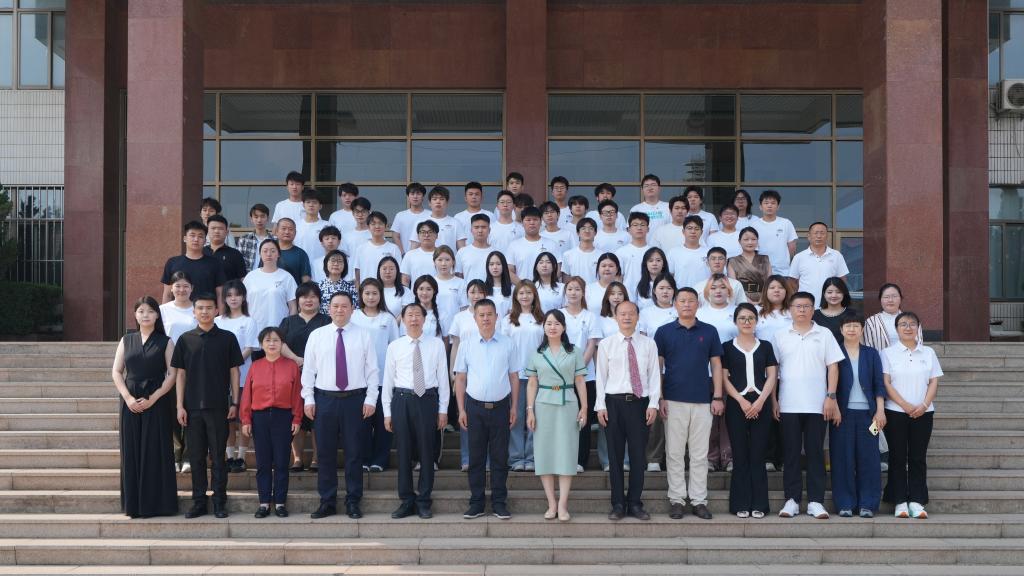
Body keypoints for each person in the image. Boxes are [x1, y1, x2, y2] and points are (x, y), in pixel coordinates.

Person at [302, 292, 379, 520]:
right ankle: (327, 501)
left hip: (355, 400)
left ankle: (353, 500)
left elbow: (372, 370)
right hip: (325, 400)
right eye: (335, 306)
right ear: (329, 308)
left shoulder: (363, 335)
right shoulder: (317, 335)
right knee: (325, 453)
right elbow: (309, 370)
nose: (339, 310)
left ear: (352, 309)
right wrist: (309, 398)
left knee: (354, 453)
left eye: (344, 306)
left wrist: (371, 399)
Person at [773, 291, 844, 520]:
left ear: (813, 310)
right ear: (790, 310)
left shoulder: (824, 334)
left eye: (806, 306)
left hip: (817, 404)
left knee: (815, 453)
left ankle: (816, 501)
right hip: (788, 404)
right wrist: (774, 400)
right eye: (798, 306)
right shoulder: (780, 335)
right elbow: (773, 371)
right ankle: (792, 500)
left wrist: (831, 396)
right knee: (791, 454)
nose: (802, 310)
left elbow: (833, 367)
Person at [655, 287, 724, 520]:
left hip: (703, 400)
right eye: (682, 300)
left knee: (699, 454)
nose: (686, 304)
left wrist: (717, 396)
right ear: (675, 304)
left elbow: (716, 365)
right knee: (674, 453)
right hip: (673, 399)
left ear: (698, 304)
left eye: (691, 301)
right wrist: (660, 397)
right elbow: (657, 368)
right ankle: (677, 499)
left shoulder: (709, 331)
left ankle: (698, 500)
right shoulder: (664, 332)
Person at [173, 293, 244, 519]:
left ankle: (219, 502)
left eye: (209, 308)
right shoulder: (185, 339)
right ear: (194, 312)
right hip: (192, 408)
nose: (204, 311)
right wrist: (179, 406)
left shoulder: (227, 338)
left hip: (219, 407)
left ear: (216, 311)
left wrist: (235, 402)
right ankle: (199, 502)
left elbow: (235, 372)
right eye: (200, 308)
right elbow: (180, 374)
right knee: (196, 457)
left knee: (218, 457)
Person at [455, 299, 520, 520]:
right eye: (481, 315)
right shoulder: (466, 344)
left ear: (496, 316)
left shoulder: (508, 343)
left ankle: (499, 502)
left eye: (489, 314)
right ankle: (477, 503)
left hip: (501, 407)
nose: (485, 319)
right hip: (474, 407)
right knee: (476, 457)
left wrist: (514, 407)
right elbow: (460, 378)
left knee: (500, 457)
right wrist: (461, 409)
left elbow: (514, 377)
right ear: (475, 318)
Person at [113, 296, 178, 518]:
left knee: (155, 451)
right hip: (130, 401)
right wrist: (128, 398)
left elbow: (172, 374)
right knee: (131, 451)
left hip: (157, 402)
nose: (145, 315)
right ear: (135, 315)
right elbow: (116, 372)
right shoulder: (126, 340)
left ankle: (157, 505)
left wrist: (154, 397)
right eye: (141, 311)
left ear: (157, 315)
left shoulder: (165, 341)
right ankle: (134, 505)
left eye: (150, 311)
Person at [383, 303, 450, 519]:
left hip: (427, 400)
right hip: (402, 400)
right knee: (403, 452)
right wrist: (387, 412)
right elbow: (388, 381)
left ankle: (424, 500)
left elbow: (443, 379)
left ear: (424, 318)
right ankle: (406, 500)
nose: (413, 319)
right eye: (409, 315)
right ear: (402, 319)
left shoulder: (436, 344)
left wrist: (443, 410)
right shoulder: (395, 346)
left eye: (417, 315)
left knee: (426, 451)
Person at [596, 301, 659, 521]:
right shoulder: (606, 344)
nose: (627, 317)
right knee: (614, 457)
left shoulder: (649, 344)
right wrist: (600, 405)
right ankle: (617, 504)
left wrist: (653, 404)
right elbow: (601, 377)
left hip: (639, 403)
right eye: (622, 314)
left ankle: (634, 503)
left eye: (631, 313)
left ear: (637, 316)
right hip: (613, 403)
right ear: (615, 317)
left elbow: (654, 375)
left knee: (638, 456)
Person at [525, 310, 588, 522]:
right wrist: (530, 410)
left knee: (566, 453)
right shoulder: (537, 353)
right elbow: (531, 383)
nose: (552, 327)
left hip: (567, 403)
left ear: (564, 327)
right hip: (543, 404)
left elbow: (580, 381)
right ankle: (551, 502)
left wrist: (584, 407)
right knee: (544, 453)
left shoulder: (574, 351)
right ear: (543, 327)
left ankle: (563, 504)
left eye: (557, 323)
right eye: (549, 323)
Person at [882, 311, 942, 520]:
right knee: (897, 457)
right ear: (896, 329)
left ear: (918, 328)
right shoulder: (887, 353)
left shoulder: (928, 352)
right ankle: (899, 500)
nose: (908, 328)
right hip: (895, 412)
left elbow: (933, 381)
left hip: (924, 413)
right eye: (903, 324)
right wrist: (905, 405)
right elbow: (886, 382)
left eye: (912, 324)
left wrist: (924, 405)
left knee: (918, 457)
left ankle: (917, 500)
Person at [721, 303, 778, 519]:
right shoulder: (727, 347)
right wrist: (741, 401)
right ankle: (740, 503)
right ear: (735, 322)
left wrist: (761, 401)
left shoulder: (765, 346)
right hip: (737, 404)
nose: (747, 322)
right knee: (740, 454)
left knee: (758, 454)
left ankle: (760, 504)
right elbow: (724, 378)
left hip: (761, 403)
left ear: (756, 321)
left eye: (751, 318)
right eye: (742, 318)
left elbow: (772, 375)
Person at [240, 327, 303, 519]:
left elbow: (297, 395)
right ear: (261, 345)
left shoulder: (291, 366)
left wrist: (297, 418)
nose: (272, 344)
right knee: (263, 462)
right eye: (267, 340)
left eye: (276, 340)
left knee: (282, 461)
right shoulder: (255, 366)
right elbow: (247, 395)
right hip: (259, 418)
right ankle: (264, 503)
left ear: (282, 344)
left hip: (283, 417)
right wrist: (246, 419)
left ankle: (281, 502)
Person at [830, 311, 886, 518]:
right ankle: (845, 503)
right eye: (848, 326)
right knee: (842, 459)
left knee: (870, 460)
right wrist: (833, 405)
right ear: (841, 329)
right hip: (841, 415)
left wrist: (880, 411)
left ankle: (867, 504)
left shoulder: (872, 354)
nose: (852, 329)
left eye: (855, 325)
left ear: (862, 329)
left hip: (869, 415)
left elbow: (879, 384)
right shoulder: (834, 352)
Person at [278, 282, 331, 473]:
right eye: (304, 297)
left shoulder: (326, 320)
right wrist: (296, 359)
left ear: (319, 300)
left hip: (321, 376)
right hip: (293, 375)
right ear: (298, 300)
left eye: (313, 297)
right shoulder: (288, 321)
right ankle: (298, 458)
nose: (308, 300)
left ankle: (317, 458)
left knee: (317, 418)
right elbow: (279, 342)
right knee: (296, 416)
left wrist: (310, 362)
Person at [352, 278, 400, 473]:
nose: (371, 297)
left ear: (380, 295)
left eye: (374, 293)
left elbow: (395, 347)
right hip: (358, 379)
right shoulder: (353, 316)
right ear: (361, 295)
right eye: (367, 293)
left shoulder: (388, 319)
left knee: (382, 421)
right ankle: (363, 458)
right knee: (361, 422)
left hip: (383, 377)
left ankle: (380, 459)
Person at [215, 280, 259, 473]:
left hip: (243, 378)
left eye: (237, 295)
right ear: (224, 299)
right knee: (227, 421)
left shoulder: (249, 321)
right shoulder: (217, 321)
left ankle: (241, 457)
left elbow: (249, 348)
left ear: (243, 297)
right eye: (229, 295)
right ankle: (230, 456)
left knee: (243, 419)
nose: (233, 299)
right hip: (220, 379)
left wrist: (231, 364)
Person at [501, 281, 545, 471]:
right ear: (515, 297)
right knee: (516, 416)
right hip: (515, 375)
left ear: (534, 295)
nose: (525, 296)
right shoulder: (508, 320)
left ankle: (533, 456)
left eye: (528, 293)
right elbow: (503, 347)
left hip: (538, 375)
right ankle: (517, 457)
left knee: (536, 416)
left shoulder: (542, 319)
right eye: (521, 293)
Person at [559, 277, 601, 473]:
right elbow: (554, 341)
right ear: (565, 292)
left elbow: (592, 344)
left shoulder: (591, 316)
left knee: (582, 418)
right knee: (563, 419)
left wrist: (578, 367)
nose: (573, 292)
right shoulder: (558, 315)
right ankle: (563, 457)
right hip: (560, 375)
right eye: (570, 289)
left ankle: (580, 459)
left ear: (583, 293)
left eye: (577, 289)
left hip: (586, 376)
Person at [448, 280, 489, 471]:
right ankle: (467, 458)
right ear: (467, 295)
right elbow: (455, 345)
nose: (476, 296)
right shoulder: (460, 317)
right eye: (472, 292)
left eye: (480, 292)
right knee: (465, 417)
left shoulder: (491, 314)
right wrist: (453, 371)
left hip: (486, 371)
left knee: (487, 420)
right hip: (465, 371)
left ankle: (487, 460)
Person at [755, 275, 793, 472]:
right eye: (772, 287)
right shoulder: (758, 313)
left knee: (786, 416)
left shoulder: (793, 312)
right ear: (765, 291)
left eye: (780, 287)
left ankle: (785, 458)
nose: (776, 291)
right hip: (763, 372)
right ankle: (768, 457)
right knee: (767, 416)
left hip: (789, 372)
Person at [161, 221, 226, 307]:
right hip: (178, 312)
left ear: (205, 241)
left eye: (200, 236)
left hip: (206, 312)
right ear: (185, 238)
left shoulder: (215, 264)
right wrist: (163, 314)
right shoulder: (172, 263)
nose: (196, 239)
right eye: (192, 235)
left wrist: (221, 315)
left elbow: (220, 294)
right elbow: (167, 294)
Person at [243, 239, 298, 331]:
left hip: (279, 329)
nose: (269, 254)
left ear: (278, 254)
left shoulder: (286, 277)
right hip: (253, 328)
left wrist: (288, 328)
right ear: (260, 254)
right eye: (265, 251)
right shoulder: (250, 277)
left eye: (273, 251)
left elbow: (293, 307)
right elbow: (243, 304)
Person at [789, 222, 849, 297]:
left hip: (830, 301)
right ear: (809, 236)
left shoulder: (836, 255)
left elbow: (842, 280)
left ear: (827, 236)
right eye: (816, 233)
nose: (819, 236)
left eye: (822, 233)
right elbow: (792, 281)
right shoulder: (799, 257)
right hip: (806, 302)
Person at [751, 190, 798, 276]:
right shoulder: (754, 225)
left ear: (778, 206)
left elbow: (792, 247)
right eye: (766, 203)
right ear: (760, 207)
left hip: (783, 272)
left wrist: (783, 261)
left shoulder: (786, 223)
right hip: (760, 271)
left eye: (773, 203)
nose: (769, 205)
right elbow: (751, 248)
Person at [507, 206, 561, 281]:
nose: (532, 223)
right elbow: (509, 271)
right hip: (522, 287)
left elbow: (558, 269)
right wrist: (523, 285)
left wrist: (545, 285)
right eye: (528, 220)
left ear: (541, 221)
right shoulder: (514, 245)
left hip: (546, 287)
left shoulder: (551, 244)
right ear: (522, 222)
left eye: (535, 219)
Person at [863, 283, 923, 350]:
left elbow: (919, 344)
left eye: (894, 296)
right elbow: (868, 348)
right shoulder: (871, 322)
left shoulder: (913, 320)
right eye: (886, 297)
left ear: (900, 299)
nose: (890, 300)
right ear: (880, 300)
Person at [353, 211, 402, 287]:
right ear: (368, 227)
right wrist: (359, 292)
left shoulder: (394, 248)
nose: (377, 226)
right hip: (366, 291)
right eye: (373, 224)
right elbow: (357, 276)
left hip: (387, 291)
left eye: (380, 223)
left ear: (386, 226)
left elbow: (399, 274)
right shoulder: (361, 249)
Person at [728, 226, 772, 305]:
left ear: (757, 241)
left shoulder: (765, 259)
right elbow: (733, 285)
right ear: (739, 241)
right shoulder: (733, 261)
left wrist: (763, 299)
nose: (750, 242)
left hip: (764, 299)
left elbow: (770, 282)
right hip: (741, 299)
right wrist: (746, 300)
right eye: (746, 239)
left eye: (753, 239)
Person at [614, 212, 652, 299]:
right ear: (629, 230)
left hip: (649, 297)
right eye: (635, 225)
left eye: (642, 225)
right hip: (627, 297)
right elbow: (618, 278)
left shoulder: (653, 252)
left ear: (648, 229)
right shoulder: (621, 252)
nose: (639, 228)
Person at [666, 215, 709, 290]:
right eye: (689, 228)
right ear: (683, 231)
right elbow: (669, 276)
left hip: (704, 294)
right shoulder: (673, 252)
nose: (693, 232)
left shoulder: (709, 252)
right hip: (681, 294)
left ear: (702, 232)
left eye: (696, 229)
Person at [404, 275, 448, 342]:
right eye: (421, 289)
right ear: (416, 291)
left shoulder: (442, 314)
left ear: (434, 291)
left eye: (428, 289)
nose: (424, 293)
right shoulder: (408, 313)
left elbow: (446, 339)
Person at [294, 188, 330, 267]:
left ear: (320, 206)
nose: (311, 205)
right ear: (303, 205)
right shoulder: (295, 225)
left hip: (321, 267)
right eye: (308, 202)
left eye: (314, 202)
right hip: (299, 266)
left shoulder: (327, 226)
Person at [204, 215, 246, 281]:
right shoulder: (201, 252)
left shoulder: (235, 254)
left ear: (227, 232)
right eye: (213, 228)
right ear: (207, 231)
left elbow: (242, 279)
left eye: (220, 228)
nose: (216, 231)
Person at [392, 182, 430, 254]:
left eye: (418, 194)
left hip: (426, 255)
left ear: (423, 197)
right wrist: (402, 254)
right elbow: (395, 236)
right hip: (405, 255)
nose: (415, 196)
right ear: (408, 196)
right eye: (412, 194)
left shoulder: (430, 215)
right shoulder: (400, 215)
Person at [454, 182, 495, 249]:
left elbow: (493, 236)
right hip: (465, 253)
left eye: (477, 194)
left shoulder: (490, 215)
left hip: (486, 252)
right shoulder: (458, 217)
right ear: (465, 198)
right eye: (470, 194)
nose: (474, 197)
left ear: (481, 197)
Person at [160, 271, 197, 344]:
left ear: (192, 288)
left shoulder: (199, 310)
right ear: (171, 288)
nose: (182, 290)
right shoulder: (162, 310)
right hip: (169, 350)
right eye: (178, 286)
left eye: (186, 286)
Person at [237, 203, 275, 274]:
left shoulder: (275, 240)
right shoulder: (244, 239)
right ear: (251, 219)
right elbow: (238, 262)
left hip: (270, 276)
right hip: (249, 277)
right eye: (256, 217)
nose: (259, 220)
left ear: (268, 218)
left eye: (262, 216)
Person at [273, 218, 312, 285]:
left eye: (290, 229)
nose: (287, 232)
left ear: (295, 233)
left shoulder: (301, 254)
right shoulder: (268, 251)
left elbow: (306, 280)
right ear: (276, 231)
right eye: (283, 228)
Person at [318, 250, 359, 314]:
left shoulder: (351, 287)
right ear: (326, 264)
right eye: (333, 260)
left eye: (340, 261)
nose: (336, 264)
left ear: (345, 266)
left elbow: (355, 309)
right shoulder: (318, 287)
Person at [456, 213, 494, 284]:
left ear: (489, 230)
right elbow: (458, 277)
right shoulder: (462, 252)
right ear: (471, 230)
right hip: (468, 291)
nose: (480, 230)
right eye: (476, 227)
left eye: (483, 227)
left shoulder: (495, 252)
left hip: (490, 291)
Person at [812, 277, 852, 344]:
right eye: (830, 292)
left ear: (844, 293)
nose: (834, 295)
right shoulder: (814, 315)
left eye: (838, 292)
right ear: (824, 294)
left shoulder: (852, 314)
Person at [402, 220, 441, 286]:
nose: (426, 235)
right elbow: (405, 280)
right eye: (423, 232)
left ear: (437, 235)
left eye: (430, 232)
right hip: (416, 292)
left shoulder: (442, 254)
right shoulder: (410, 255)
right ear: (418, 236)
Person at [434, 246, 467, 325]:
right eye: (440, 260)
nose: (443, 263)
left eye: (447, 260)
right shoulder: (430, 283)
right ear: (434, 262)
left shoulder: (461, 283)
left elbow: (464, 308)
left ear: (453, 262)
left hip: (455, 327)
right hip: (434, 327)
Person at [561, 218, 600, 283]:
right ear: (578, 233)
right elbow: (566, 281)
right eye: (583, 228)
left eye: (591, 228)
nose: (587, 231)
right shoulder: (568, 255)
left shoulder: (601, 255)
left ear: (595, 233)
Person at [635, 247, 670, 313]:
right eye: (651, 261)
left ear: (663, 264)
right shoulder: (639, 285)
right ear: (646, 264)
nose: (654, 264)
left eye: (658, 260)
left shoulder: (671, 284)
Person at [484, 251, 515, 320]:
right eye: (491, 264)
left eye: (498, 264)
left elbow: (513, 312)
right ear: (487, 267)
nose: (495, 267)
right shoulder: (482, 288)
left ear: (504, 266)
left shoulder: (512, 289)